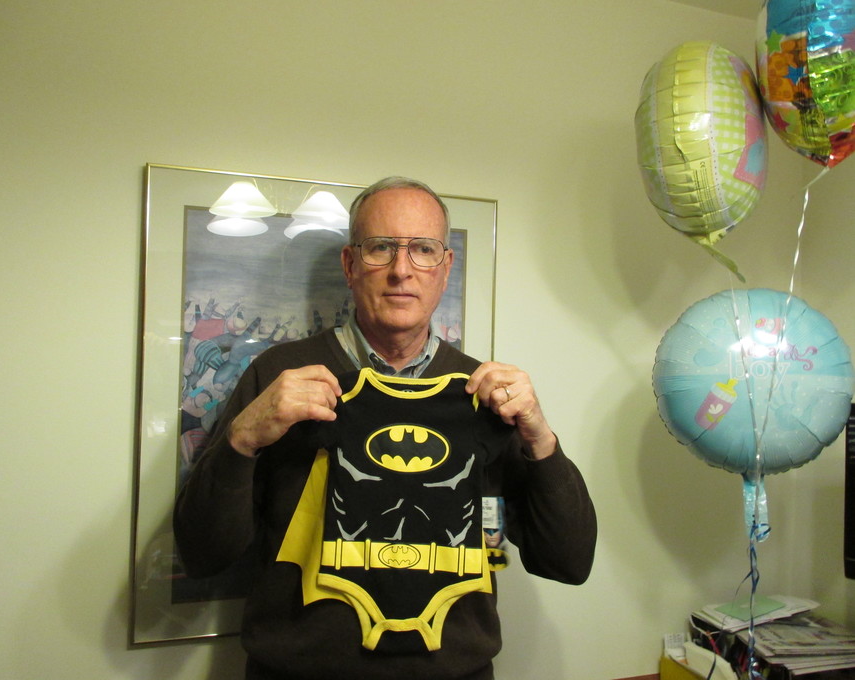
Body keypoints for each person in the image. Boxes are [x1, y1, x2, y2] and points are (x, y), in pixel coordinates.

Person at [174, 176, 597, 680]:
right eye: (380, 248)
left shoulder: (485, 395)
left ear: (445, 268)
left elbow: (568, 561)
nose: (401, 270)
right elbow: (202, 553)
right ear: (350, 265)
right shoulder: (278, 376)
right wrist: (240, 441)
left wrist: (541, 439)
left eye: (423, 249)